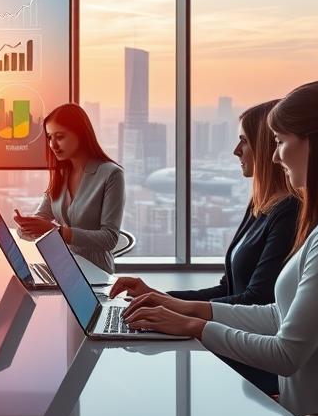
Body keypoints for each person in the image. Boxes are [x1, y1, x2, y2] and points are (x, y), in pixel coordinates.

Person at [124, 80, 318, 416]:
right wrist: (182, 309)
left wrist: (191, 326)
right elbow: (279, 315)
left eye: (279, 141)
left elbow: (286, 354)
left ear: (314, 142)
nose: (274, 157)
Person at [112, 100, 298, 394]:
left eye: (244, 142)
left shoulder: (290, 213)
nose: (237, 151)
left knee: (147, 378)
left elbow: (256, 300)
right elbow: (228, 288)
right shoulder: (260, 204)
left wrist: (178, 314)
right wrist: (158, 297)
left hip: (250, 358)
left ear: (265, 148)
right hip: (232, 342)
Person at [13, 103, 124, 273]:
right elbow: (42, 217)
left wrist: (58, 232)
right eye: (49, 137)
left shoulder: (111, 174)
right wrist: (27, 226)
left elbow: (110, 238)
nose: (53, 145)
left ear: (81, 134)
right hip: (64, 267)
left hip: (96, 273)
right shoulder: (61, 175)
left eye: (60, 136)